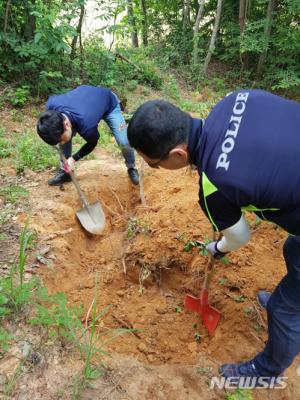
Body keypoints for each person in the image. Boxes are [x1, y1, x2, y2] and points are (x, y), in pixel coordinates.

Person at [127, 89, 300, 384]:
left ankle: (268, 372)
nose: (156, 169)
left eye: (155, 164)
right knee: (293, 248)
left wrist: (218, 247)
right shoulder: (235, 99)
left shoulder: (214, 185)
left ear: (178, 154)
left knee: (284, 309)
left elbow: (239, 236)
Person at [37, 85, 139, 186]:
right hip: (85, 101)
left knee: (124, 141)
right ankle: (66, 172)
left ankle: (132, 168)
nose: (61, 143)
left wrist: (73, 159)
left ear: (67, 124)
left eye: (61, 140)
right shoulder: (51, 107)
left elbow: (92, 143)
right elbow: (56, 130)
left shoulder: (87, 125)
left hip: (108, 102)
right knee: (63, 136)